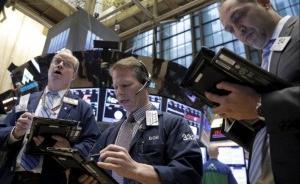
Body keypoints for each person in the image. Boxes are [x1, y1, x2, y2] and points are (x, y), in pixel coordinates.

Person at [204, 0, 300, 184]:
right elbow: (273, 128)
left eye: (239, 17)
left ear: (264, 2)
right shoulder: (266, 58)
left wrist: (259, 105)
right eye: (230, 29)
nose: (238, 30)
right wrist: (236, 114)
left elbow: (266, 107)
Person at [79, 56, 203, 184]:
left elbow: (189, 174)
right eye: (115, 87)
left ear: (145, 84)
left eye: (125, 85)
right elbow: (93, 164)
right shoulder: (109, 132)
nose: (119, 92)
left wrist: (136, 170)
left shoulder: (173, 124)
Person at [0, 50, 101, 184]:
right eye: (56, 61)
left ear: (74, 75)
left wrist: (69, 150)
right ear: (49, 68)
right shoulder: (26, 99)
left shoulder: (83, 108)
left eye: (67, 64)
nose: (60, 65)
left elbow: (93, 143)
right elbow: (2, 131)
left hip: (51, 179)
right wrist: (15, 133)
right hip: (11, 177)